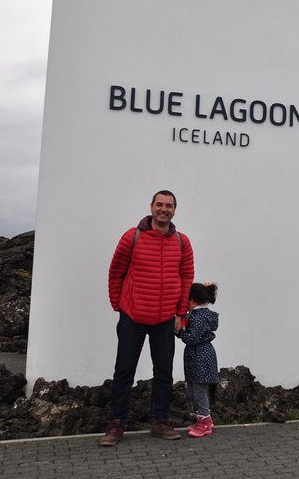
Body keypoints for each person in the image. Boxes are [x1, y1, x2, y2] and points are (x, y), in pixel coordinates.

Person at [100, 189, 195, 447]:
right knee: (124, 372)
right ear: (151, 206)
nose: (164, 209)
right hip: (133, 316)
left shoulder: (182, 242)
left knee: (163, 373)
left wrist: (180, 313)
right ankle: (117, 423)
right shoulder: (132, 237)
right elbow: (116, 271)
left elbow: (187, 277)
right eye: (160, 204)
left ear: (175, 210)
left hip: (165, 319)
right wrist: (117, 305)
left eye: (169, 205)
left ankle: (159, 421)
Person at [177, 282, 220, 438]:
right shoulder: (203, 315)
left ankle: (205, 421)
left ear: (191, 300)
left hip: (200, 357)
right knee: (194, 390)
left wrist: (181, 332)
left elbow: (192, 338)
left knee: (199, 391)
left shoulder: (197, 317)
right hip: (202, 356)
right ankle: (203, 418)